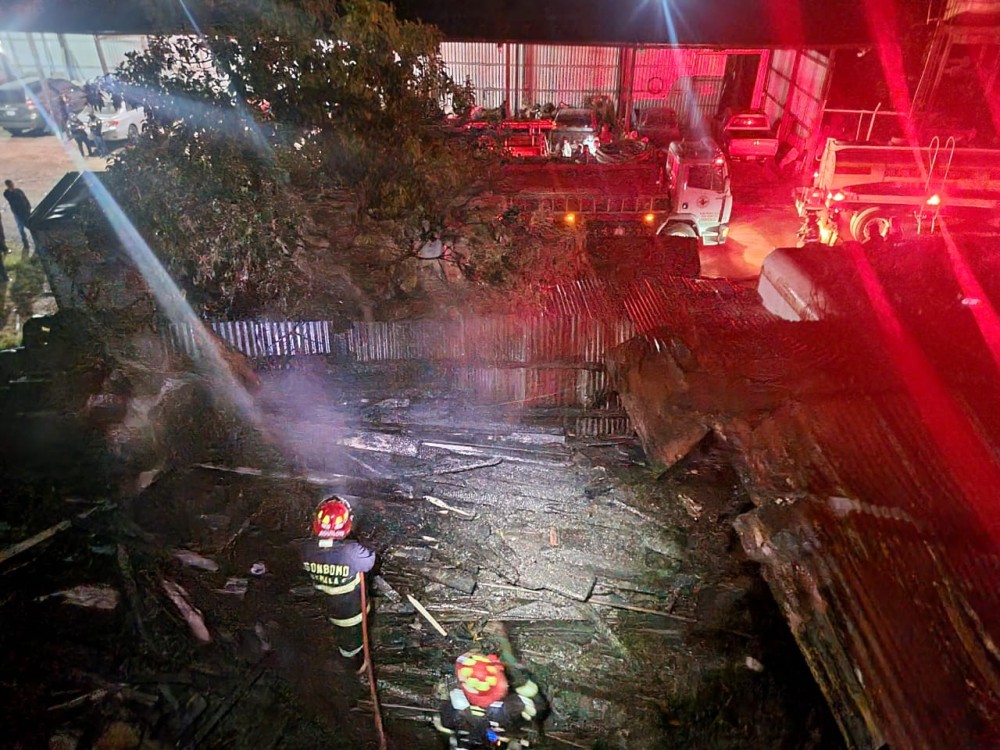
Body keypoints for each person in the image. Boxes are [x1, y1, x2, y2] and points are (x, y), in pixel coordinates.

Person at [300, 496, 376, 670]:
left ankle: (351, 657)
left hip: (330, 605)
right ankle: (355, 666)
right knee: (353, 642)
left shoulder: (305, 549)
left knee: (344, 635)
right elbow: (369, 560)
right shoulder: (352, 552)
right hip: (355, 609)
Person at [433, 651, 549, 749]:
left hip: (468, 741)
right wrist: (533, 692)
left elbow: (445, 723)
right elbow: (540, 711)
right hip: (498, 739)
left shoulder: (453, 706)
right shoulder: (513, 704)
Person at [3, 180, 31, 254]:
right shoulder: (7, 193)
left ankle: (32, 242)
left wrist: (28, 207)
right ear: (8, 186)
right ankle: (26, 244)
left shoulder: (19, 190)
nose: (12, 185)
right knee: (21, 229)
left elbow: (25, 199)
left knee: (30, 227)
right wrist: (11, 190)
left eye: (12, 184)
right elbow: (12, 198)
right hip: (18, 213)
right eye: (10, 185)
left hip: (25, 212)